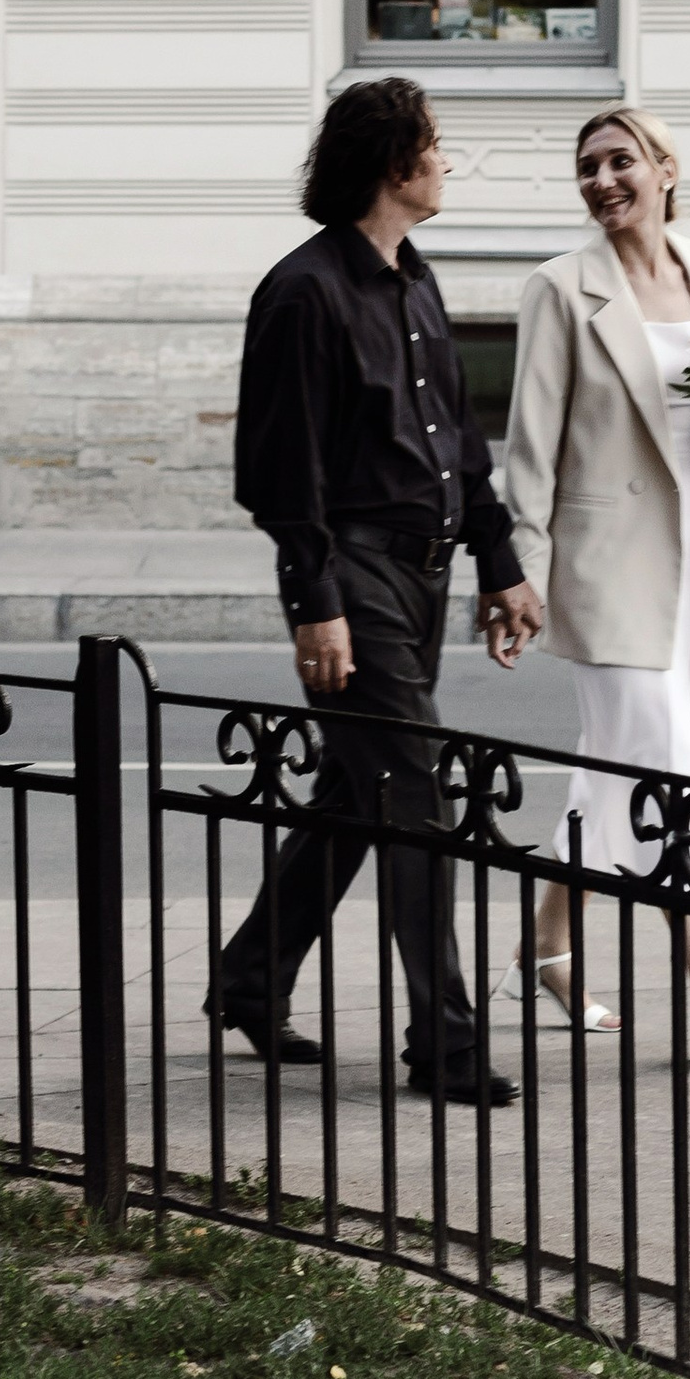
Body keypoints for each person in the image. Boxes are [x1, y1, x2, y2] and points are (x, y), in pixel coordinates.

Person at [219, 77, 547, 1104]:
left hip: (426, 572)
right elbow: (279, 469)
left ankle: (247, 977)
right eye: (435, 145)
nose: (446, 161)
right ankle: (442, 1046)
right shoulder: (303, 290)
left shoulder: (413, 279)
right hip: (353, 576)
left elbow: (456, 438)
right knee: (419, 800)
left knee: (358, 798)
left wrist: (496, 561)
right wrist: (313, 599)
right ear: (392, 163)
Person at [498, 108, 690, 1075]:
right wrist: (516, 573)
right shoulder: (560, 290)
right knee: (672, 763)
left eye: (621, 162)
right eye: (588, 168)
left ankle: (546, 948)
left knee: (616, 761)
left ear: (664, 169)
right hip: (606, 565)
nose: (603, 180)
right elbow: (530, 445)